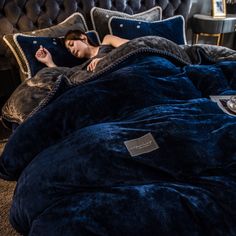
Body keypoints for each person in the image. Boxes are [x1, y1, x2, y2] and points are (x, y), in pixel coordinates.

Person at [35, 29, 129, 72]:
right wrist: (49, 62)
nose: (71, 50)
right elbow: (66, 77)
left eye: (71, 44)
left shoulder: (107, 40)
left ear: (83, 38)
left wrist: (105, 59)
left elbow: (133, 45)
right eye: (69, 50)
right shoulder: (83, 67)